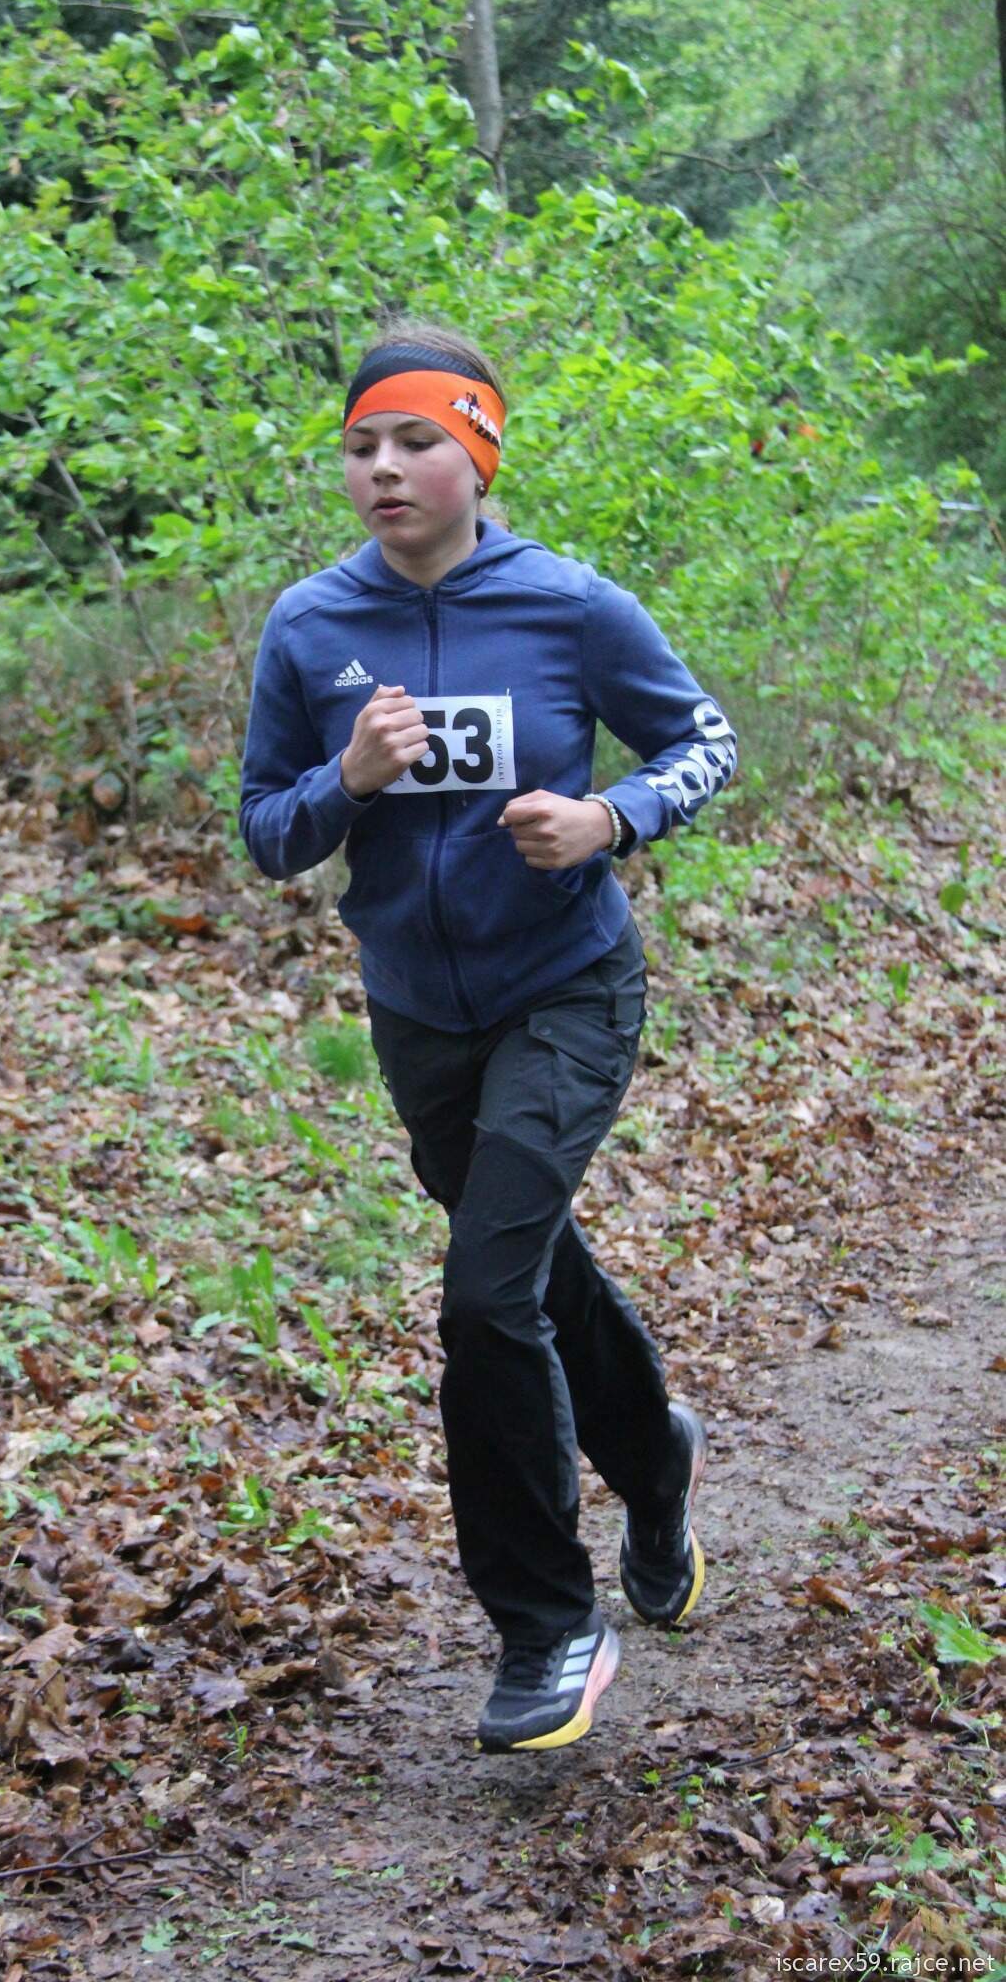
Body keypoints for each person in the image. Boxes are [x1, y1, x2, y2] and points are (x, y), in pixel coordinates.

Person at [238, 322, 736, 1754]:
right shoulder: (310, 625)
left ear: (479, 455)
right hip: (418, 1013)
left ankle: (545, 1626)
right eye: (361, 447)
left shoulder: (569, 607)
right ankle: (654, 1455)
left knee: (480, 1297)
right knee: (522, 1270)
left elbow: (702, 741)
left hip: (567, 988)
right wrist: (346, 779)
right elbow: (268, 833)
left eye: (416, 442)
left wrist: (609, 817)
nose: (383, 470)